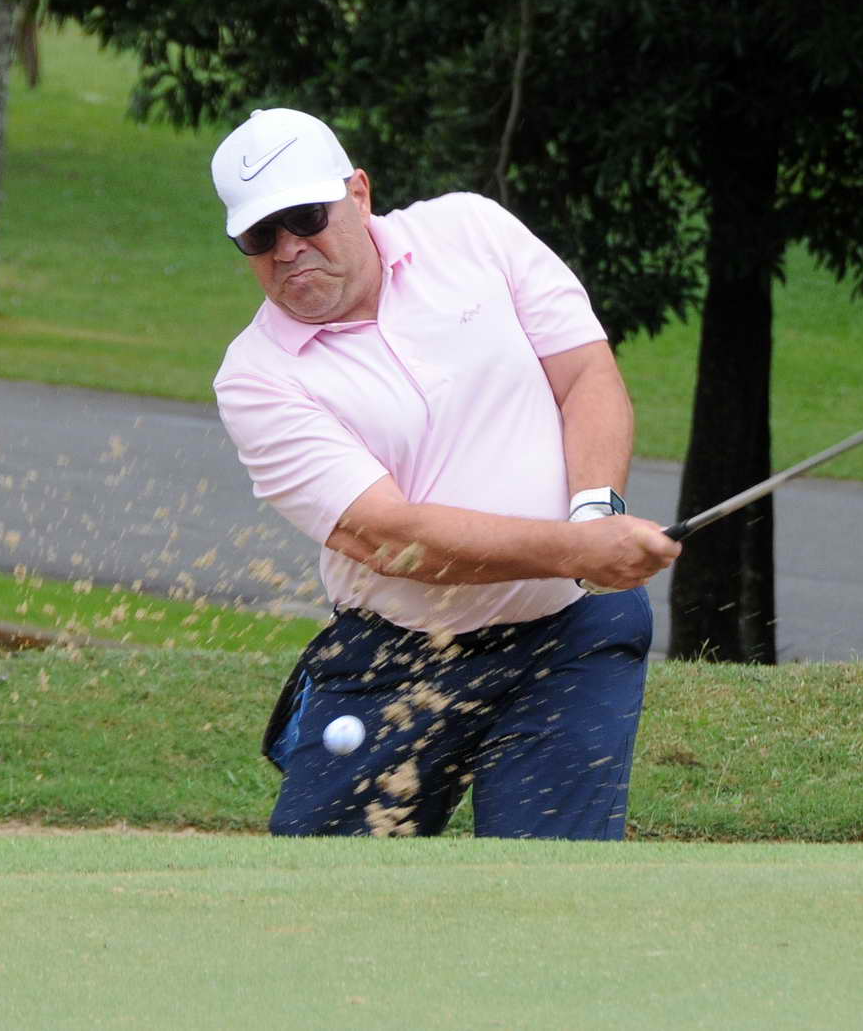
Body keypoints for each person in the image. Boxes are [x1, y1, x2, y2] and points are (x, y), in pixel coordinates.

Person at [208, 107, 681, 838]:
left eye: (306, 217)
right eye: (260, 235)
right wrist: (579, 550)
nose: (289, 248)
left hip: (569, 638)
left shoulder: (471, 230)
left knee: (548, 883)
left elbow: (586, 374)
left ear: (359, 193)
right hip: (396, 657)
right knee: (317, 886)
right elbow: (394, 539)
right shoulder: (256, 377)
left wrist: (594, 511)